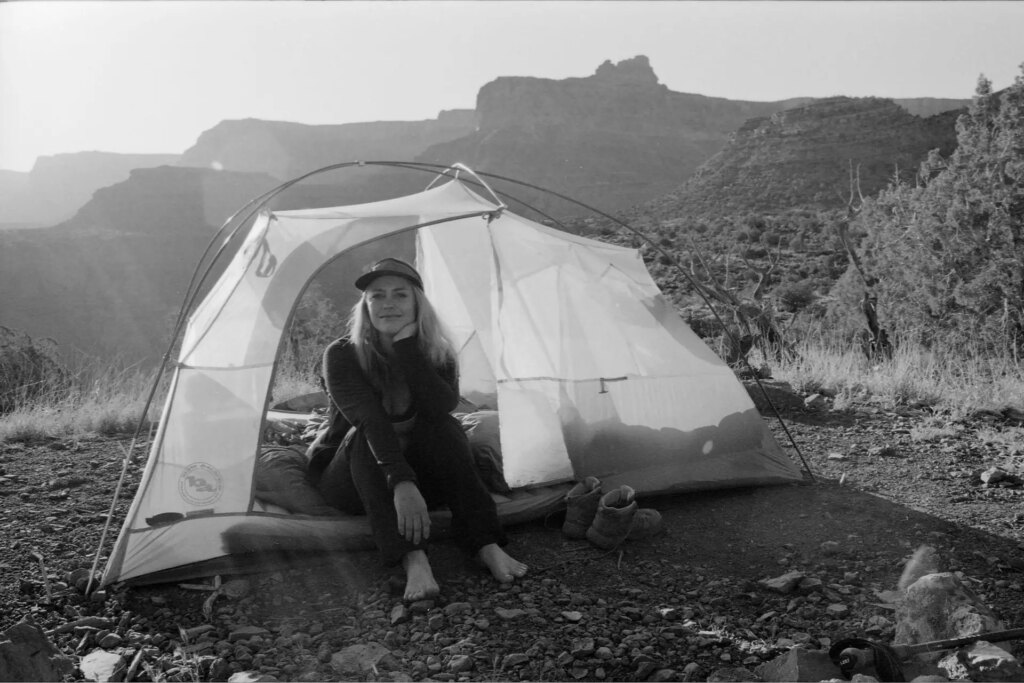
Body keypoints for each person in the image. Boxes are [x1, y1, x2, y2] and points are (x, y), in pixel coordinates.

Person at [312, 257, 527, 601]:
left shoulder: (437, 352)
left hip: (421, 475)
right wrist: (402, 483)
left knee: (445, 427)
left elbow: (441, 407)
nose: (388, 304)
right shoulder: (341, 354)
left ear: (417, 303)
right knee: (363, 436)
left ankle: (485, 542)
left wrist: (407, 350)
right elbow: (369, 419)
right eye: (377, 296)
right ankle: (413, 557)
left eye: (400, 295)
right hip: (352, 479)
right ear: (365, 307)